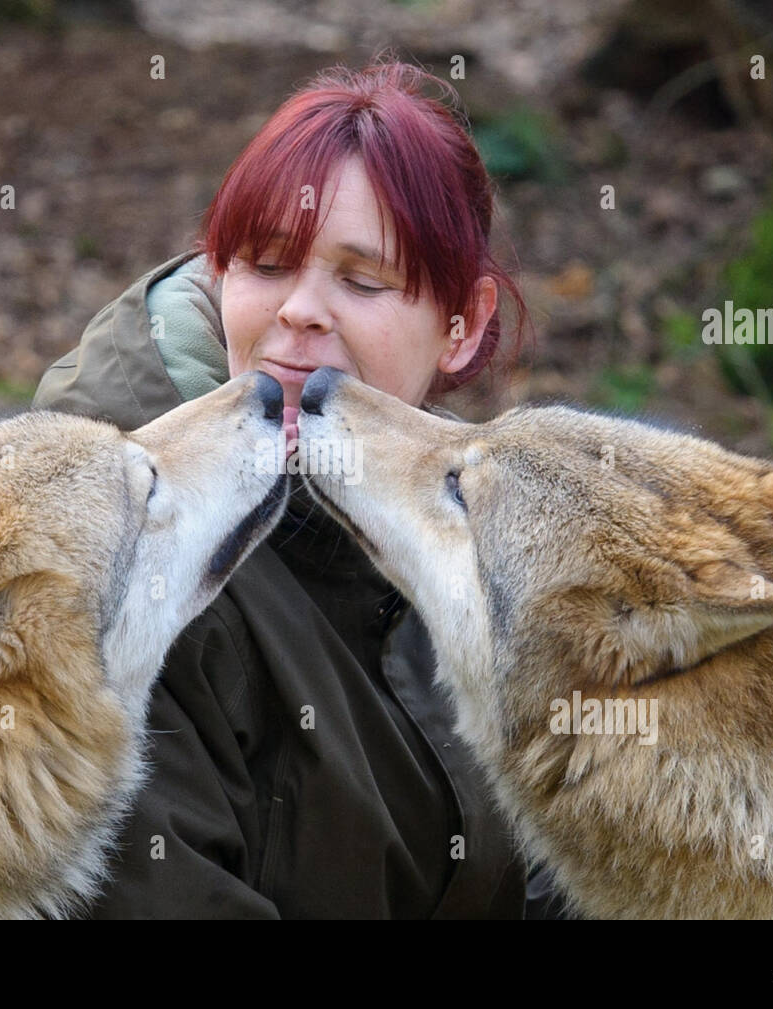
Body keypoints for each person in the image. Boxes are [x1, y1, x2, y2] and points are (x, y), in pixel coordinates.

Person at [33, 59, 561, 918]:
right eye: (267, 264)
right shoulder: (126, 564)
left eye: (360, 280)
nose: (300, 311)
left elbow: (550, 868)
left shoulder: (493, 527)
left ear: (461, 323)